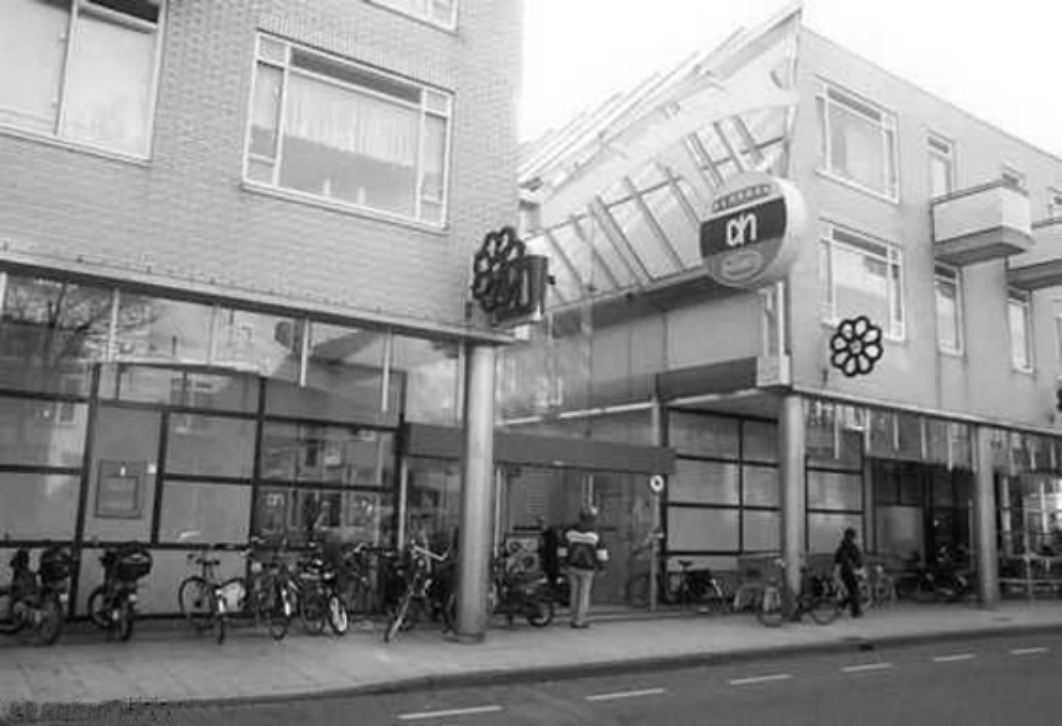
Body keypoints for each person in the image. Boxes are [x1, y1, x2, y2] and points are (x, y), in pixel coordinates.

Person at [558, 508, 608, 629]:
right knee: (584, 594)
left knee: (574, 593)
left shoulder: (570, 532)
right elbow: (601, 552)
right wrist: (602, 567)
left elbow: (562, 549)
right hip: (588, 568)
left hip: (572, 566)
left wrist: (562, 564)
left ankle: (573, 618)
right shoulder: (595, 533)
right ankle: (580, 621)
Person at [834, 527, 864, 618]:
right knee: (854, 591)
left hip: (842, 572)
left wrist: (837, 574)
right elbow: (858, 561)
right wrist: (860, 569)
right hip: (851, 572)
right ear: (853, 536)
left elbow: (836, 561)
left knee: (850, 592)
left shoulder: (841, 547)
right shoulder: (853, 547)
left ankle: (841, 608)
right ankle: (855, 612)